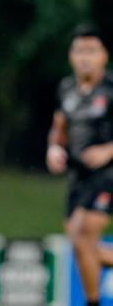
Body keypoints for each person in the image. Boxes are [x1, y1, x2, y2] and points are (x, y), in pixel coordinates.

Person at [46, 24, 113, 306]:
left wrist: (108, 150)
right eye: (79, 51)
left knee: (85, 234)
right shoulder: (66, 88)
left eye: (92, 51)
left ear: (104, 56)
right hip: (78, 176)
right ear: (70, 56)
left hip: (108, 174)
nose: (85, 57)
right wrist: (54, 149)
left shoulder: (110, 89)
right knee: (78, 243)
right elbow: (58, 127)